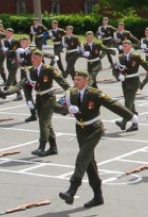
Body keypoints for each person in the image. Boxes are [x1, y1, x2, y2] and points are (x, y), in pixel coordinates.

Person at [56, 69, 134, 207]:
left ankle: (72, 189)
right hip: (80, 129)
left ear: (86, 80)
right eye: (75, 79)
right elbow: (57, 105)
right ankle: (98, 197)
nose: (76, 82)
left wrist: (130, 116)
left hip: (95, 128)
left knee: (82, 156)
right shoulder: (71, 93)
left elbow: (112, 104)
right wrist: (66, 110)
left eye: (79, 79)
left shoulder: (94, 93)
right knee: (89, 162)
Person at [110, 39, 148, 131]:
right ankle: (135, 124)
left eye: (126, 45)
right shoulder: (120, 57)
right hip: (124, 82)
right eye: (123, 45)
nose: (124, 47)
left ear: (130, 46)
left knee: (128, 102)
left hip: (134, 81)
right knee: (131, 103)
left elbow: (146, 64)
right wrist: (118, 76)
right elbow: (115, 69)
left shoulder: (136, 56)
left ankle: (124, 121)